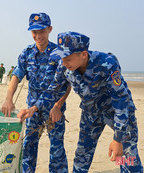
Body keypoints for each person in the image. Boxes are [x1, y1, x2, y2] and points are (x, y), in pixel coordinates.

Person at [18, 31, 143, 172]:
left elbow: (121, 101)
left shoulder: (106, 63)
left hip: (118, 114)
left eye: (68, 59)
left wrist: (118, 138)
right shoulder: (64, 66)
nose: (64, 63)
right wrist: (33, 108)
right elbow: (53, 90)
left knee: (127, 156)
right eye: (61, 58)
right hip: (91, 113)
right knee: (82, 156)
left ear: (83, 54)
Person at [2, 13, 71, 173]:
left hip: (54, 109)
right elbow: (16, 75)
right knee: (28, 147)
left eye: (42, 31)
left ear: (49, 29)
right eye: (34, 32)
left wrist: (58, 105)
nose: (38, 36)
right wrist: (8, 99)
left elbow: (67, 84)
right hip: (32, 110)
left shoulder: (59, 53)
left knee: (56, 149)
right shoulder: (27, 53)